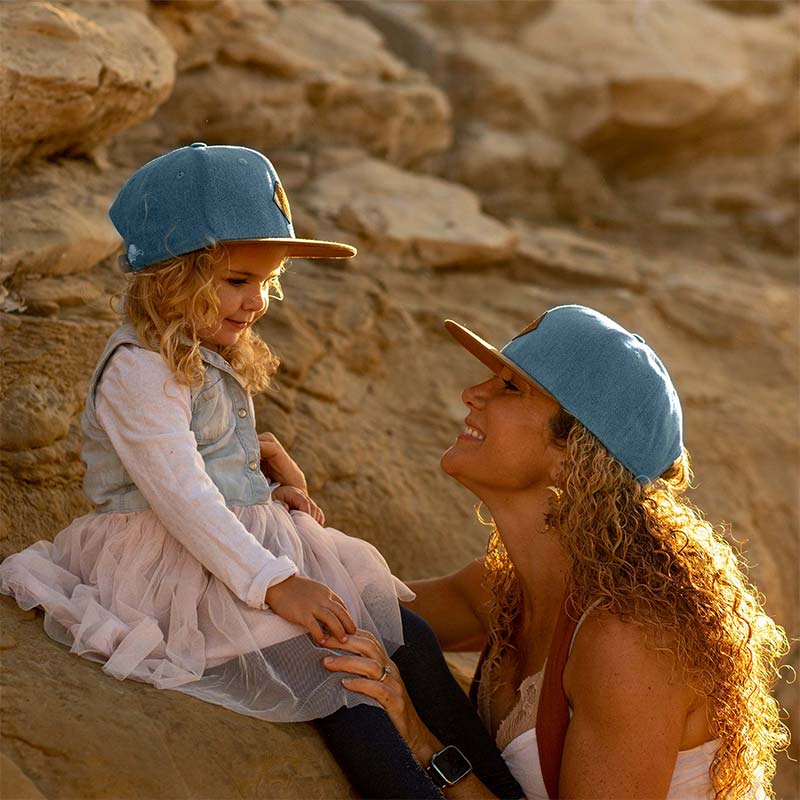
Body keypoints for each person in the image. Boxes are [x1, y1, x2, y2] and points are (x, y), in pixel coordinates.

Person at [0, 143, 523, 800]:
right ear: (171, 275)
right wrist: (277, 584)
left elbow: (213, 468)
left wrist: (271, 488)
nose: (257, 303)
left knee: (410, 638)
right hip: (180, 563)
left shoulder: (200, 350)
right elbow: (183, 496)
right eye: (237, 281)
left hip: (236, 546)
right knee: (344, 676)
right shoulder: (138, 369)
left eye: (267, 282)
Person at [323, 305, 790, 799]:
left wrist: (422, 743)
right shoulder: (502, 591)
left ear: (574, 454)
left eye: (509, 387)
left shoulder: (628, 641)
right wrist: (277, 517)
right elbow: (349, 612)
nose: (472, 393)